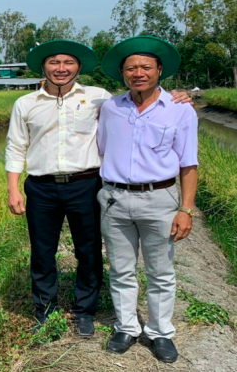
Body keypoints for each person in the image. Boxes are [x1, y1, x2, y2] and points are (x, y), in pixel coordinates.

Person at [5, 39, 191, 338]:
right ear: (44, 67)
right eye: (54, 62)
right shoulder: (25, 103)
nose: (61, 68)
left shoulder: (99, 98)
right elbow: (16, 147)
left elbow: (141, 100)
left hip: (86, 185)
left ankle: (84, 311)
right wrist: (13, 189)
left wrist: (176, 98)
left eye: (68, 63)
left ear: (78, 67)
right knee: (42, 252)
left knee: (88, 251)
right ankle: (45, 311)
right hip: (40, 187)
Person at [96, 36, 198, 363]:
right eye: (131, 68)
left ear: (158, 71)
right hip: (114, 199)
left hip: (160, 199)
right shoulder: (110, 108)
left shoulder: (180, 110)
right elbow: (100, 149)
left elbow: (188, 163)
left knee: (160, 270)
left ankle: (159, 331)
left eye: (145, 67)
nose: (138, 73)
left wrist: (185, 209)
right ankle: (126, 326)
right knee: (121, 269)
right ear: (122, 74)